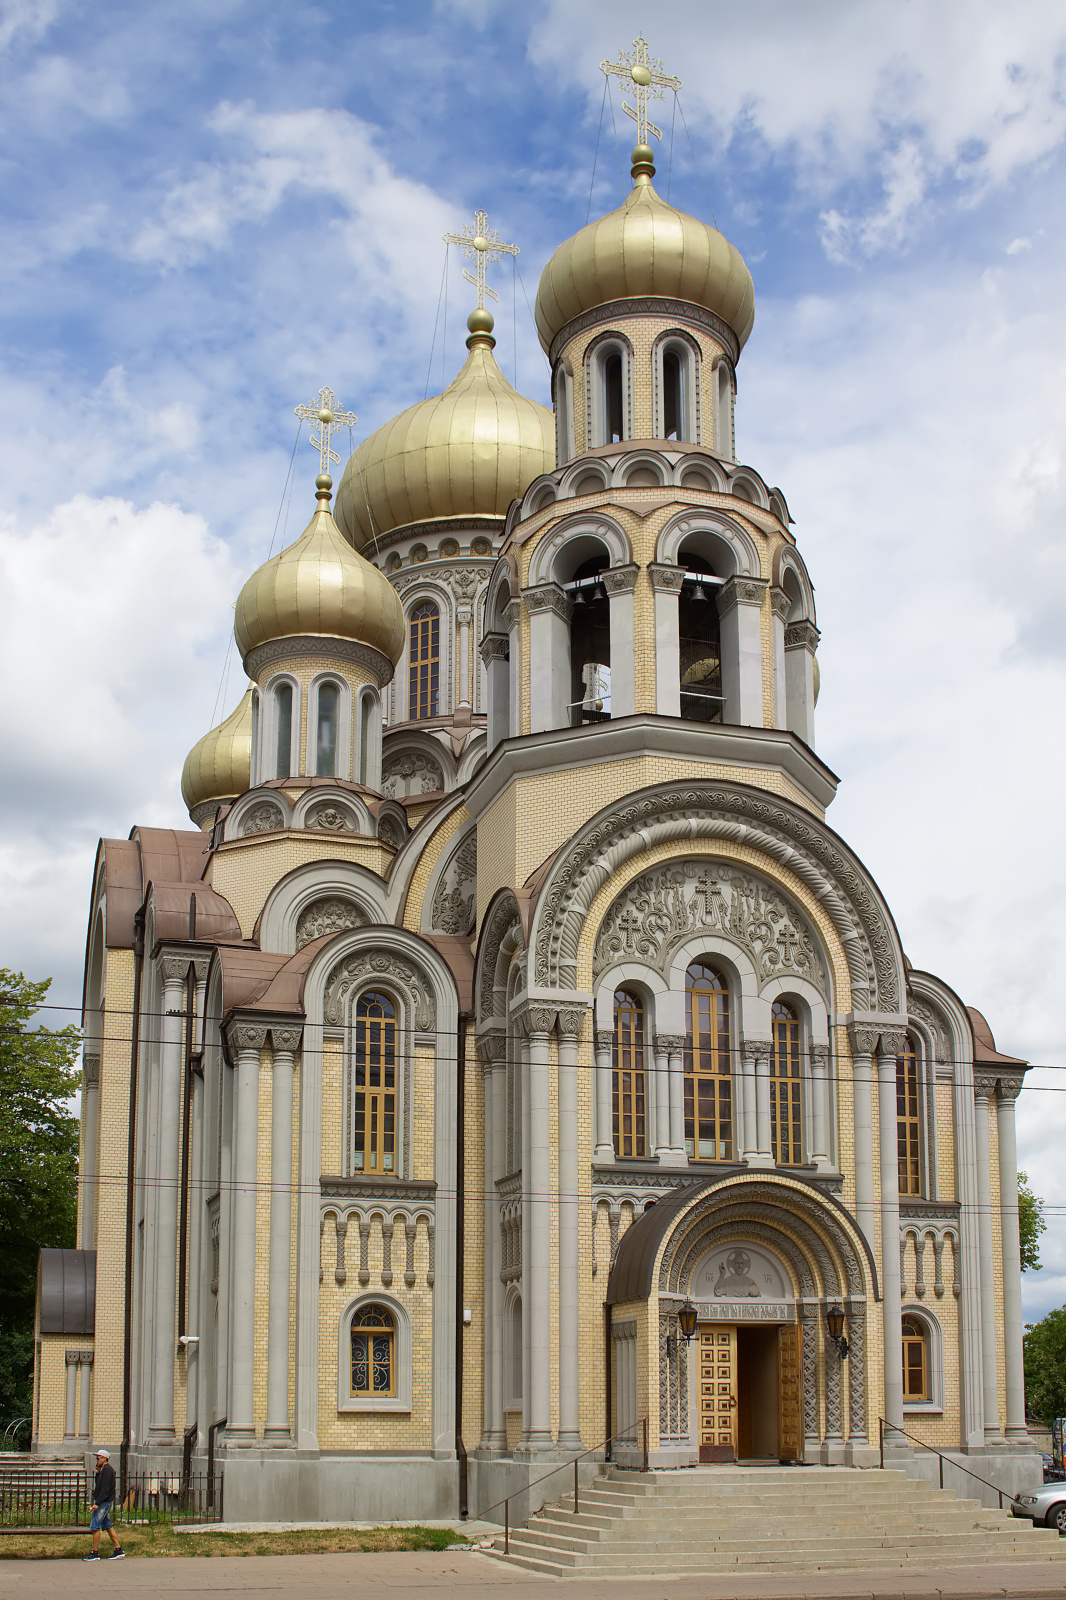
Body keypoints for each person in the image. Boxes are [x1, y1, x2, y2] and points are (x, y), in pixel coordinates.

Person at [84, 1449, 124, 1560]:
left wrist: (97, 1503)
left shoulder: (107, 1470)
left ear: (104, 1459)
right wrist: (97, 1474)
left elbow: (105, 1489)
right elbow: (100, 1485)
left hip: (103, 1503)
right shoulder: (104, 1470)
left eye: (98, 1458)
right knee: (107, 1526)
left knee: (95, 1526)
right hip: (104, 1502)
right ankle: (118, 1549)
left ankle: (95, 1552)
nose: (96, 1460)